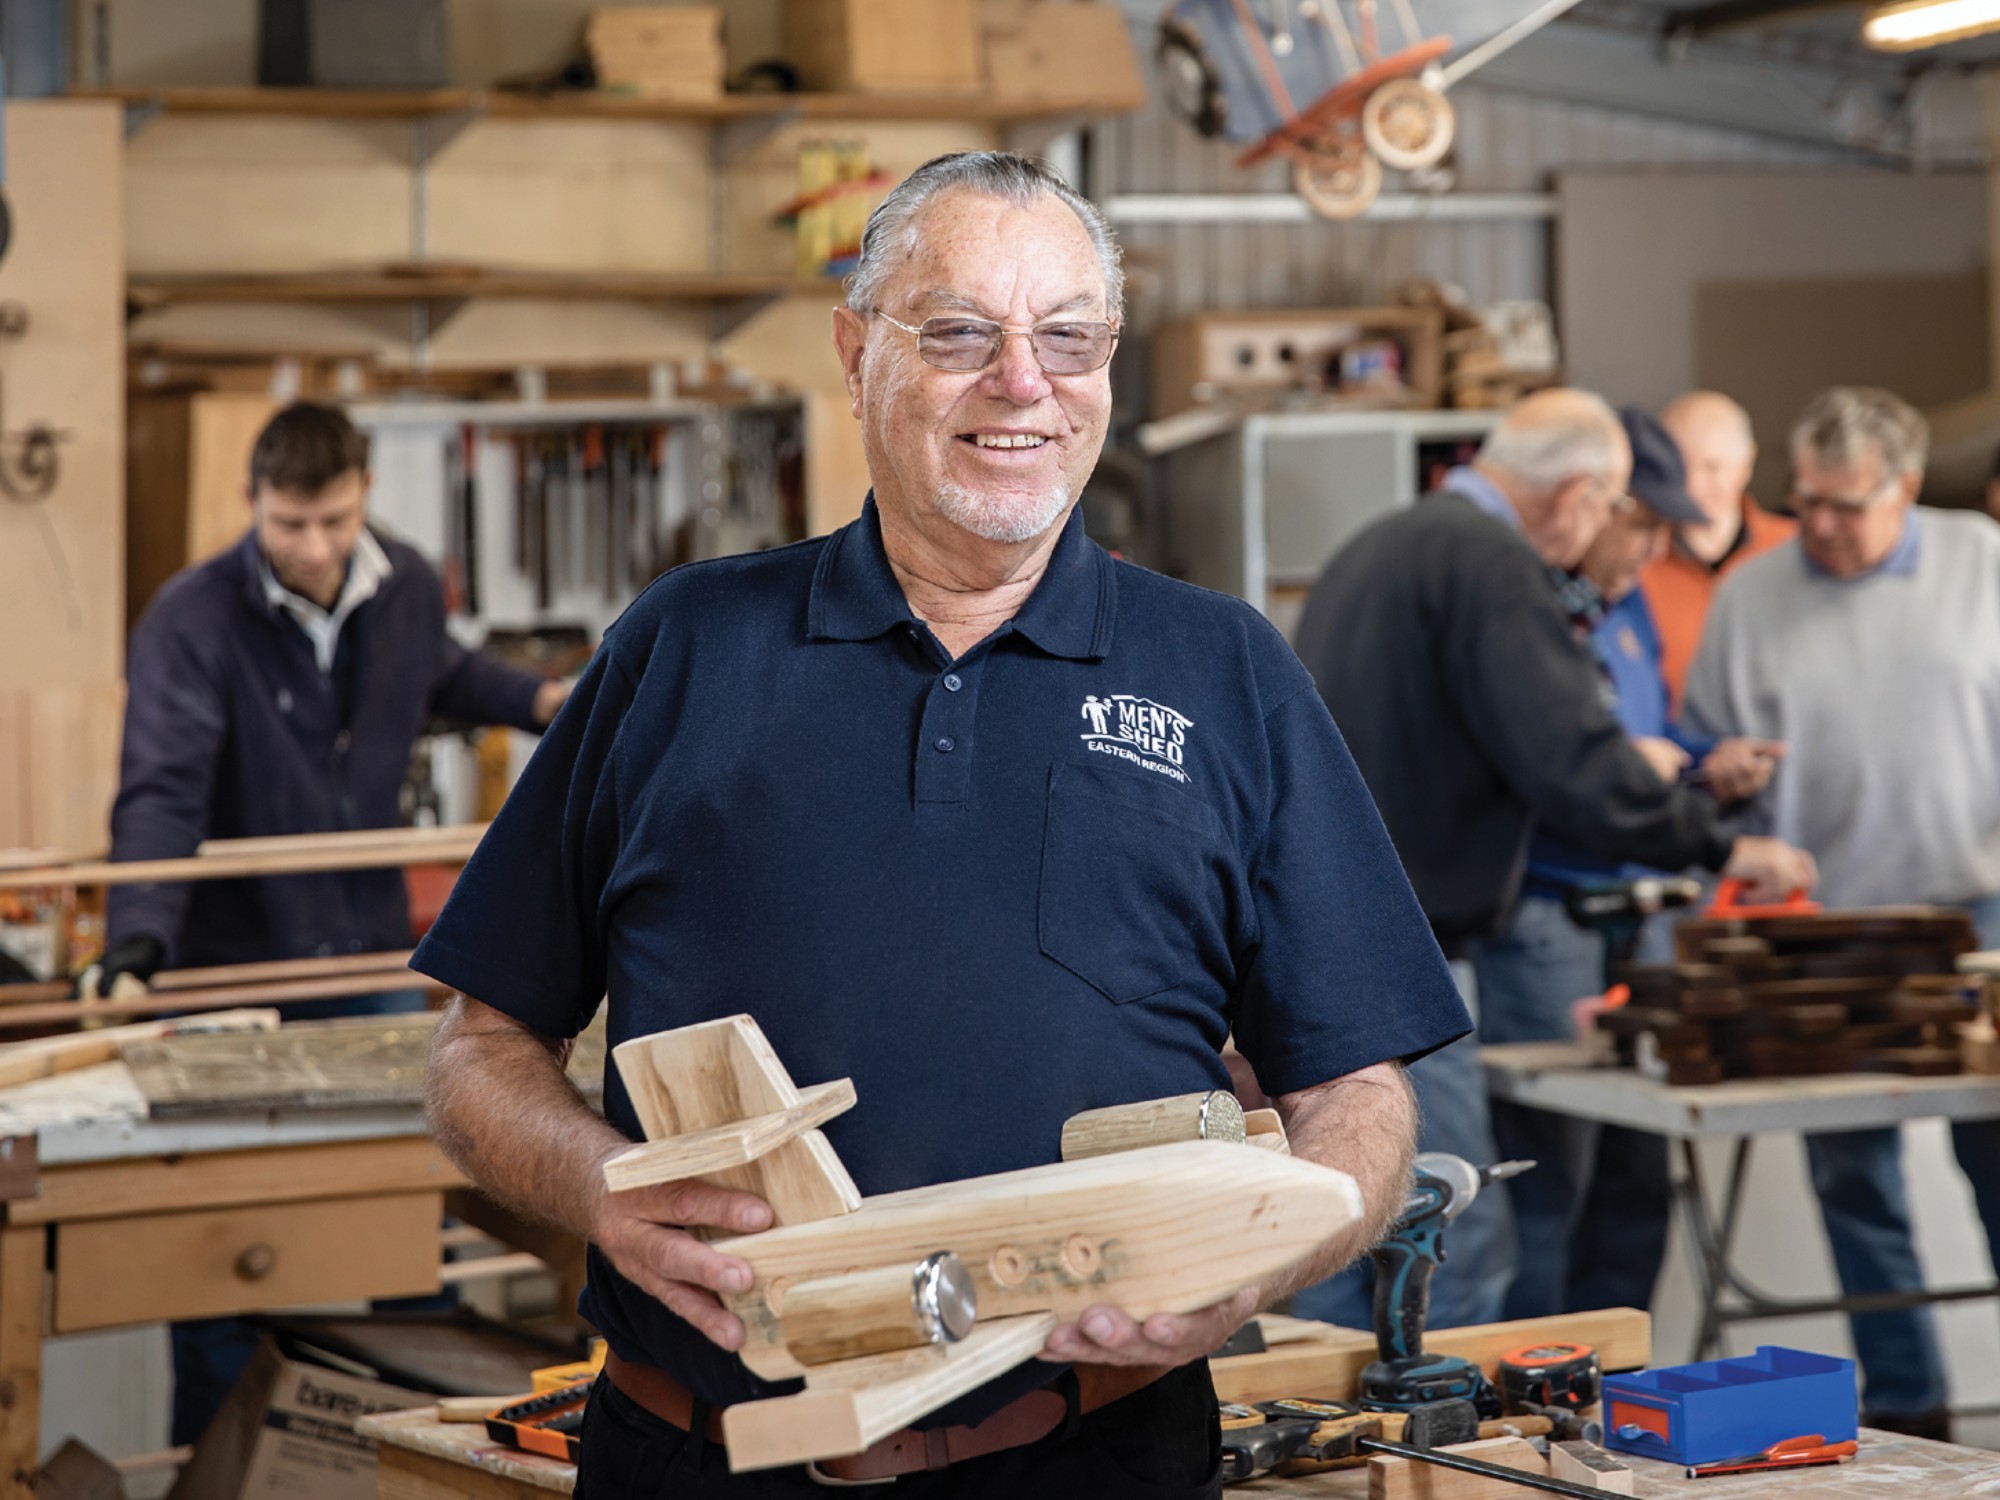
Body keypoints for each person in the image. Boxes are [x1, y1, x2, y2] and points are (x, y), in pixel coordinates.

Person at [411, 151, 1471, 1499]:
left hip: (1090, 1462)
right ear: (857, 354)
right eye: (960, 332)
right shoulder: (682, 650)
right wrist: (602, 1187)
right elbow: (476, 1052)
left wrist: (1258, 1260)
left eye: (1069, 338)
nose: (1021, 382)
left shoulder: (1227, 673)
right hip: (700, 1458)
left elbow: (1359, 1098)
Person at [1290, 390, 1817, 1331]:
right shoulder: (1493, 565)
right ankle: (1451, 1471)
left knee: (1355, 1232)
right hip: (1410, 957)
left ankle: (1333, 1440)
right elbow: (1572, 759)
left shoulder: (1389, 543)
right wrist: (1721, 840)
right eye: (1615, 511)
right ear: (1576, 495)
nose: (1604, 539)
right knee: (1452, 1233)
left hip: (1335, 942)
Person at [94, 401, 568, 1444]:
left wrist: (543, 700)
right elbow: (162, 788)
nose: (313, 549)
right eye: (289, 526)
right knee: (229, 1252)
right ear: (251, 504)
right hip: (239, 974)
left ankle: (422, 1459)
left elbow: (439, 673)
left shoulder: (398, 584)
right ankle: (216, 1466)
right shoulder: (193, 616)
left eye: (334, 522)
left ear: (363, 499)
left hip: (366, 958)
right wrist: (137, 942)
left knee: (412, 1219)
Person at [1684, 386, 2000, 1441]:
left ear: (1904, 488)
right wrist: (1717, 778)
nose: (1816, 523)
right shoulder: (1752, 592)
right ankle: (1913, 1407)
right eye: (1803, 499)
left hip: (1974, 918)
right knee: (1854, 1183)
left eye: (1844, 505)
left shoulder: (1979, 564)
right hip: (1819, 934)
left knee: (1995, 1163)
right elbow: (1702, 757)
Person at [1474, 407, 1782, 1323]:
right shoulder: (1520, 608)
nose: (1655, 548)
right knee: (1549, 1190)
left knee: (1635, 1184)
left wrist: (1697, 756)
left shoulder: (1624, 604)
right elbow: (1560, 766)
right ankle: (1534, 1409)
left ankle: (1613, 1394)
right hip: (1548, 923)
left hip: (1640, 919)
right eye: (1641, 523)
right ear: (1595, 506)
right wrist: (1648, 780)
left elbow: (1634, 736)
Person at [1640, 390, 1796, 713]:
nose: (1695, 487)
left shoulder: (1796, 550)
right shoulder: (1635, 559)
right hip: (1670, 753)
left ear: (1746, 465)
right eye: (1681, 469)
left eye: (1712, 468)